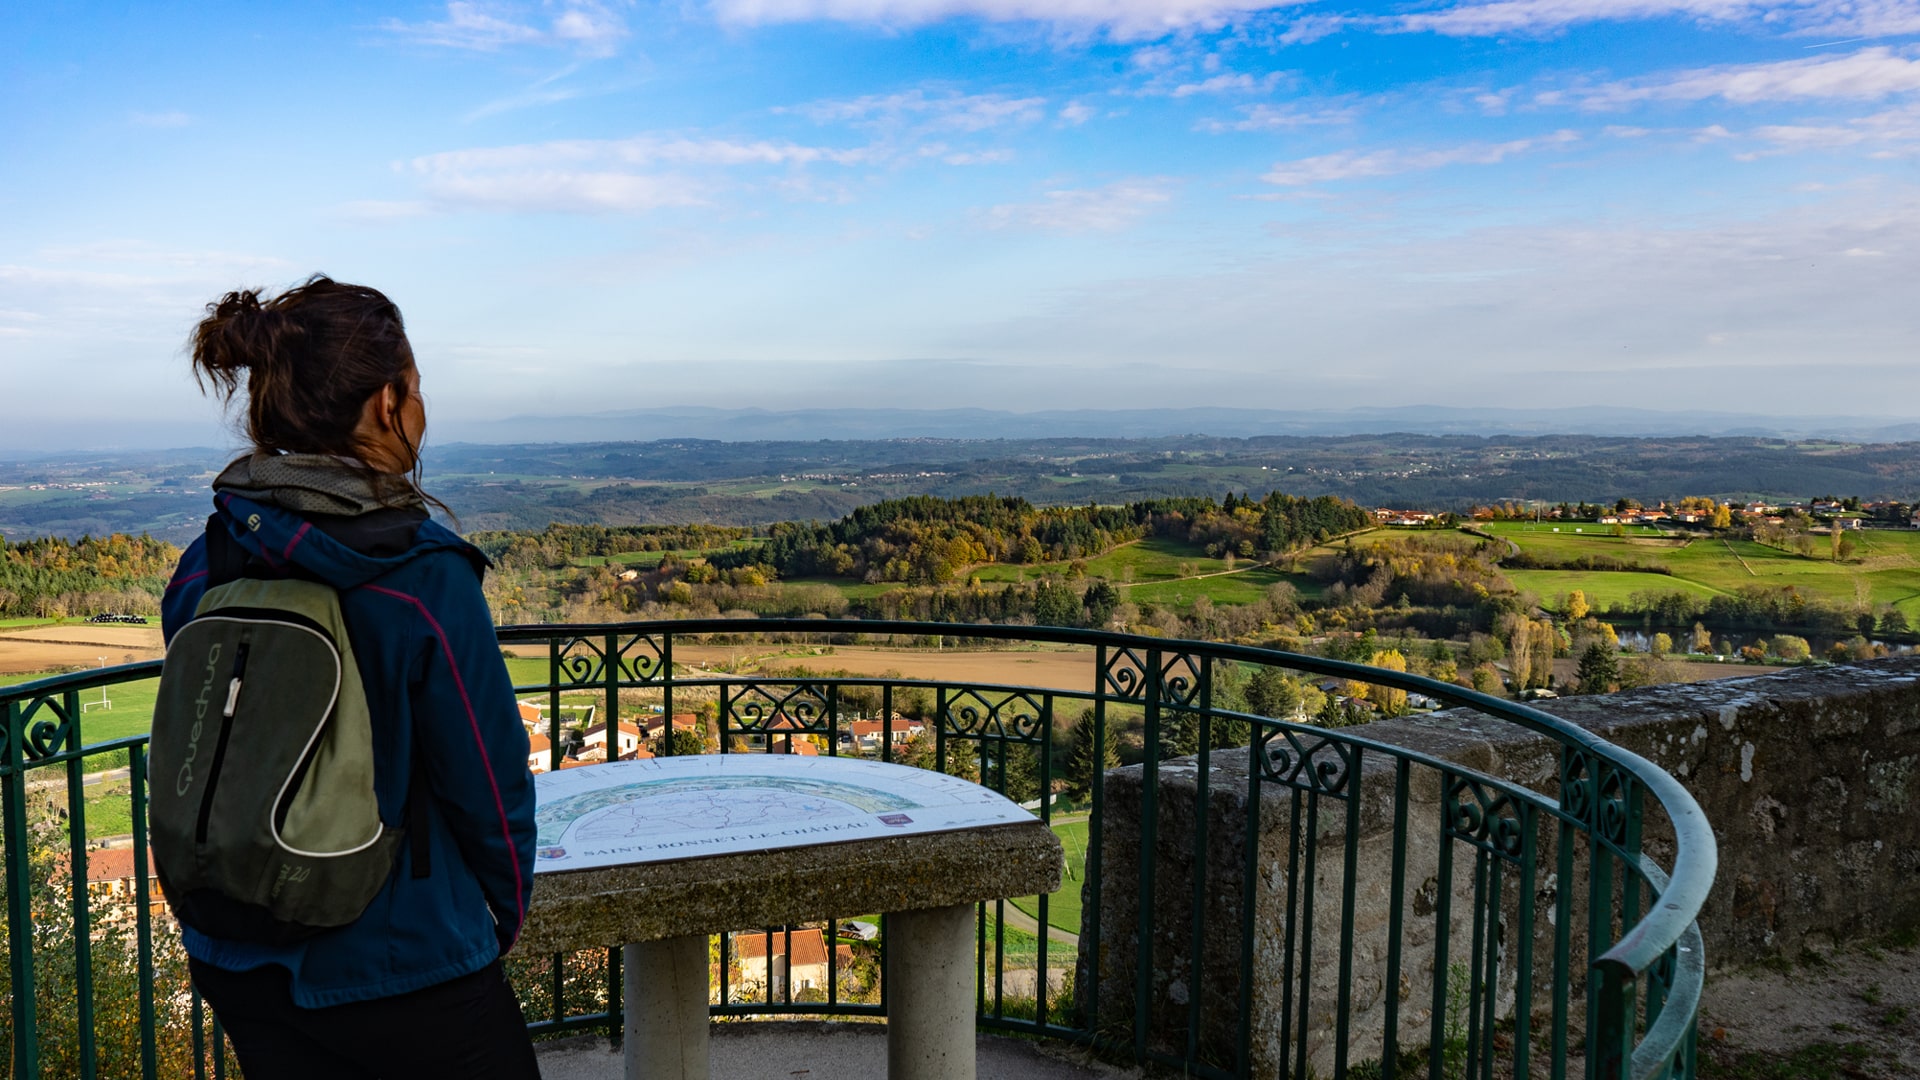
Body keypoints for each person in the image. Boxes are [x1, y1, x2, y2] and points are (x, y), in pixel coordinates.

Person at [160, 276, 540, 1079]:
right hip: (406, 960)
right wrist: (500, 917)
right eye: (415, 387)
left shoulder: (208, 562)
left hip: (234, 952)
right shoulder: (421, 577)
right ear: (385, 405)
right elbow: (488, 779)